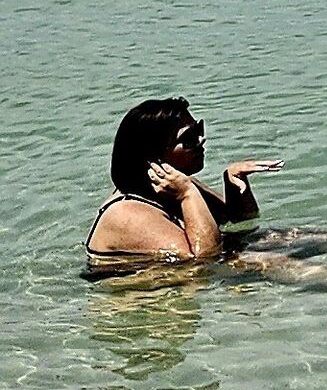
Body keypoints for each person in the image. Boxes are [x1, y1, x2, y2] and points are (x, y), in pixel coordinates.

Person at [85, 98, 270, 271]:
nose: (201, 140)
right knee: (274, 262)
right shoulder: (127, 214)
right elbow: (205, 260)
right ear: (153, 157)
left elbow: (240, 222)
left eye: (199, 130)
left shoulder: (177, 186)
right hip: (140, 298)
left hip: (177, 279)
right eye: (189, 138)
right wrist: (187, 194)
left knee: (282, 237)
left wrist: (234, 183)